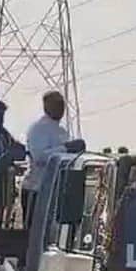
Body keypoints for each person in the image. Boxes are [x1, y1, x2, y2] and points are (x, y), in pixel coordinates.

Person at [22, 91, 78, 224]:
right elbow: (39, 157)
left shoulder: (62, 132)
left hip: (56, 190)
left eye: (62, 104)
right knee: (34, 230)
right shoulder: (38, 129)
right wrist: (66, 148)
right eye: (57, 104)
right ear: (46, 106)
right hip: (37, 189)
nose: (61, 108)